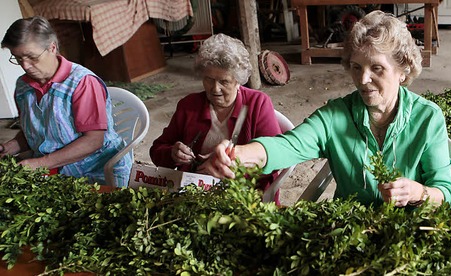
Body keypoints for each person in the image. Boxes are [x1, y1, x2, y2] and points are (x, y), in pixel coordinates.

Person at [200, 11, 451, 207]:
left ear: (403, 71)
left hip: (410, 233)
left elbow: (445, 191)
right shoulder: (335, 116)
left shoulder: (427, 118)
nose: (363, 79)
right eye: (356, 67)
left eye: (376, 68)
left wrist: (418, 192)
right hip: (350, 232)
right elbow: (287, 146)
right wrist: (239, 154)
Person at [149, 33, 282, 202]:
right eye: (209, 79)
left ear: (238, 81)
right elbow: (156, 150)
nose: (215, 89)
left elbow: (276, 159)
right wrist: (172, 153)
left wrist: (233, 169)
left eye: (224, 81)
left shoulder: (258, 104)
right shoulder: (188, 105)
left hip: (245, 196)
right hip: (196, 193)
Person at [0, 16, 131, 187]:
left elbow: (93, 141)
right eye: (17, 58)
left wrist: (40, 163)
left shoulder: (82, 83)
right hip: (56, 168)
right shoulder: (23, 87)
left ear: (52, 48)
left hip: (98, 169)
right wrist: (11, 146)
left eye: (31, 57)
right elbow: (35, 131)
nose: (25, 66)